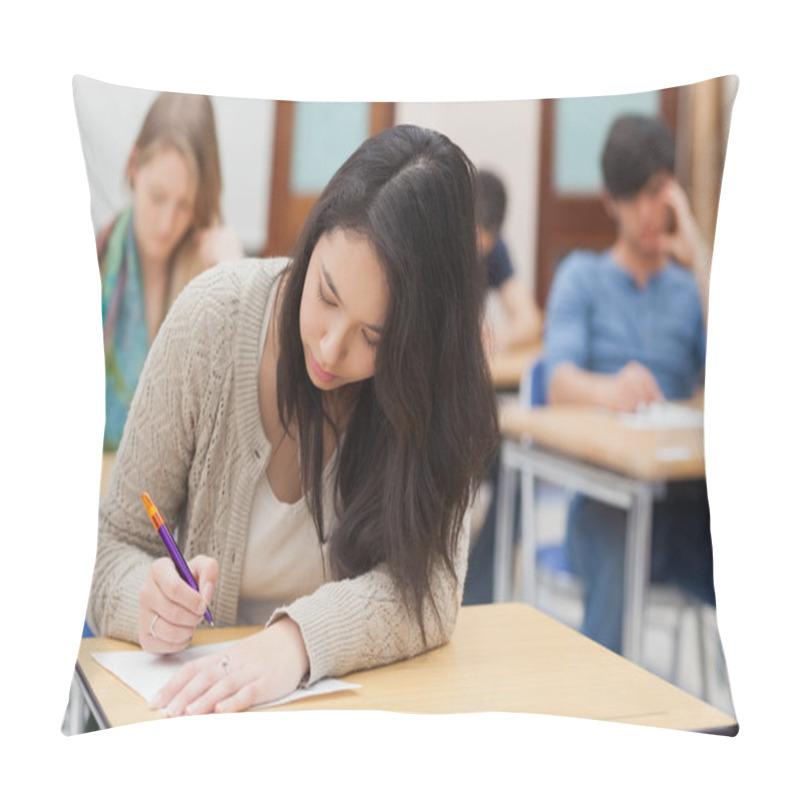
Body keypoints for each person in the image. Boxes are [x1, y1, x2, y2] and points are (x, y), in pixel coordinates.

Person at [87, 124, 498, 716]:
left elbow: (431, 594)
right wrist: (145, 602)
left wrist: (295, 644)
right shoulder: (213, 320)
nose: (330, 350)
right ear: (313, 239)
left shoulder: (436, 391)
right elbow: (109, 550)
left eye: (374, 338)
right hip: (197, 711)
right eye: (326, 296)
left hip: (347, 712)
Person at [544, 114, 715, 653]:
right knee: (615, 549)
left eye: (657, 193)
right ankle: (606, 719)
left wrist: (692, 240)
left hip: (684, 500)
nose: (647, 212)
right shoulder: (582, 276)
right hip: (604, 500)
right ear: (609, 202)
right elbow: (557, 380)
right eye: (633, 197)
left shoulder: (690, 290)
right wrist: (608, 391)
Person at [99, 91, 244, 452]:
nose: (166, 224)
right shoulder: (97, 261)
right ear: (133, 167)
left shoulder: (213, 275)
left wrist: (238, 281)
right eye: (157, 197)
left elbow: (237, 422)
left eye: (183, 205)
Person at [475, 169, 542, 354]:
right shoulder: (439, 246)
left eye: (489, 238)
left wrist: (494, 338)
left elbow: (531, 322)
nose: (481, 246)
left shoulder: (495, 250)